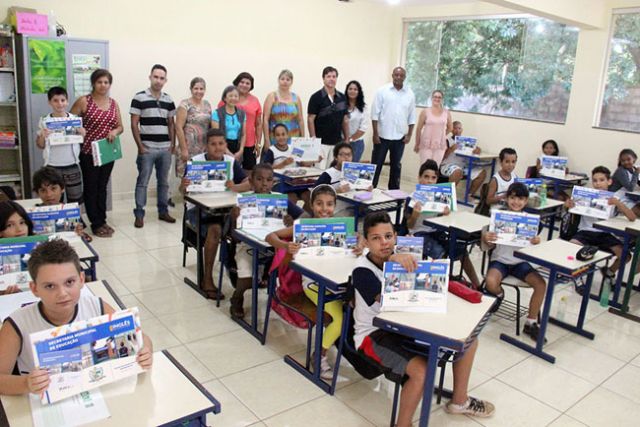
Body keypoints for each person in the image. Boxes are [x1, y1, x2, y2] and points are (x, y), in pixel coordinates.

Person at [352, 211, 495, 426]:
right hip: (374, 335)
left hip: (407, 327)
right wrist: (393, 259)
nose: (384, 243)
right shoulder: (361, 271)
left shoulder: (405, 257)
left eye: (388, 236)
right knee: (422, 372)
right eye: (376, 238)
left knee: (468, 342)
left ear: (395, 237)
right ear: (366, 242)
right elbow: (392, 299)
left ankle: (459, 401)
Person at [0, 239, 154, 395]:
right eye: (50, 286)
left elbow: (141, 339)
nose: (62, 293)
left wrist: (145, 351)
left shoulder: (96, 306)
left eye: (69, 282)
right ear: (34, 289)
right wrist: (26, 384)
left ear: (81, 280)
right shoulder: (17, 324)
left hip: (95, 394)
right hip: (42, 406)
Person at [266, 185, 348, 380]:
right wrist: (286, 246)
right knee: (339, 319)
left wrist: (358, 246)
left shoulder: (340, 225)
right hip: (313, 283)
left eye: (329, 204)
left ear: (335, 206)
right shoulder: (304, 224)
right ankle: (318, 356)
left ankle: (342, 347)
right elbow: (271, 237)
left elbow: (354, 244)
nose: (324, 209)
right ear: (311, 205)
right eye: (319, 204)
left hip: (335, 279)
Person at [180, 128, 251, 299]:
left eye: (221, 144)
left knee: (241, 219)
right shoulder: (195, 162)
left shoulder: (231, 162)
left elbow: (248, 183)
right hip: (198, 210)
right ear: (206, 146)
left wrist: (235, 186)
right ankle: (207, 279)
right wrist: (183, 185)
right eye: (213, 144)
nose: (217, 148)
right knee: (215, 230)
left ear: (226, 145)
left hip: (224, 209)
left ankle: (236, 266)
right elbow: (183, 191)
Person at [228, 163, 304, 318]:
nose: (264, 184)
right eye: (259, 179)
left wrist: (292, 221)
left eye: (269, 180)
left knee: (292, 270)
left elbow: (304, 217)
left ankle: (272, 287)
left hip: (275, 247)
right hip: (246, 246)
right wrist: (235, 219)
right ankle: (237, 297)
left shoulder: (279, 200)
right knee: (248, 280)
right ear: (250, 181)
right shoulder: (243, 202)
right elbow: (234, 237)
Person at [482, 183, 548, 341]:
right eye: (512, 198)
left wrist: (536, 241)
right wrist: (487, 238)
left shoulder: (530, 221)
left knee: (541, 284)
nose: (516, 202)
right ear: (506, 199)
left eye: (520, 199)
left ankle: (531, 323)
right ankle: (499, 294)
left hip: (521, 262)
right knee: (490, 282)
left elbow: (533, 248)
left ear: (526, 201)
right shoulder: (498, 217)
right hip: (500, 260)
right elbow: (488, 245)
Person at [405, 160, 480, 288]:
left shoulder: (439, 196)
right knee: (441, 254)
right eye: (426, 177)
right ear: (419, 178)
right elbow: (409, 226)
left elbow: (440, 221)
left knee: (462, 251)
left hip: (436, 232)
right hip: (418, 234)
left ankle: (477, 285)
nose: (429, 181)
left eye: (433, 178)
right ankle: (441, 285)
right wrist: (415, 214)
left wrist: (444, 213)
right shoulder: (412, 198)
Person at [70, 69, 124, 238]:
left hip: (107, 152)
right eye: (100, 82)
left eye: (106, 82)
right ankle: (96, 222)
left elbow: (120, 126)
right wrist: (77, 129)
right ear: (93, 83)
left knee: (102, 186)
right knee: (91, 187)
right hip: (88, 152)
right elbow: (68, 121)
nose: (103, 85)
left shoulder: (113, 103)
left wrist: (115, 131)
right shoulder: (84, 101)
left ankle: (102, 219)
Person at [566, 166, 637, 281]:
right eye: (595, 180)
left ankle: (609, 272)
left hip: (605, 234)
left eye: (602, 180)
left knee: (626, 256)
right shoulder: (584, 195)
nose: (598, 183)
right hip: (585, 231)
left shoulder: (615, 198)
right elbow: (571, 211)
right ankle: (578, 278)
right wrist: (568, 205)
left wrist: (618, 204)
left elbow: (632, 217)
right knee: (571, 247)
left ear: (609, 181)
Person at [130, 64, 177, 229]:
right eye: (155, 77)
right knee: (142, 181)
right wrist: (140, 146)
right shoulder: (139, 97)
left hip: (165, 148)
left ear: (165, 80)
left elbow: (171, 124)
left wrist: (173, 144)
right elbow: (134, 124)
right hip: (147, 148)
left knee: (163, 182)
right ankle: (139, 214)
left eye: (162, 78)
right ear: (150, 77)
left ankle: (163, 211)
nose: (158, 80)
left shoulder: (168, 99)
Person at [35, 86, 86, 207]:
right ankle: (59, 222)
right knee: (54, 198)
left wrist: (82, 133)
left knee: (75, 197)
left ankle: (76, 220)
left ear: (67, 101)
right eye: (55, 100)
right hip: (52, 166)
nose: (60, 104)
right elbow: (40, 145)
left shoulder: (74, 120)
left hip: (71, 164)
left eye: (63, 100)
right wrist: (43, 136)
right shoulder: (44, 121)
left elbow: (81, 139)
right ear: (50, 102)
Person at [371, 67, 416, 189]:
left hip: (399, 138)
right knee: (376, 165)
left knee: (396, 166)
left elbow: (412, 116)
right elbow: (375, 114)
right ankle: (370, 189)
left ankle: (394, 193)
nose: (398, 77)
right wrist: (375, 134)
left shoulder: (410, 94)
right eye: (396, 75)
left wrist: (409, 135)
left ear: (404, 77)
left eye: (401, 75)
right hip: (381, 137)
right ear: (392, 75)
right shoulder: (382, 91)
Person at [32, 167, 90, 241]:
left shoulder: (70, 212)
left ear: (62, 189)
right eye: (43, 190)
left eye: (53, 188)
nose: (49, 194)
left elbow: (83, 237)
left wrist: (79, 233)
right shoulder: (33, 214)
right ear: (37, 193)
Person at [307, 66, 349, 170]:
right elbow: (310, 119)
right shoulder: (316, 97)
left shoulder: (342, 97)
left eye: (334, 76)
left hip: (337, 143)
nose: (331, 79)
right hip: (321, 143)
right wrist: (314, 140)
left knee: (333, 171)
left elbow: (345, 119)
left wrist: (347, 138)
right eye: (328, 76)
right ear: (323, 78)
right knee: (319, 171)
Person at [219, 73, 262, 171]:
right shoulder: (227, 98)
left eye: (248, 83)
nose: (244, 85)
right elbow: (219, 123)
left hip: (249, 143)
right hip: (229, 142)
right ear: (237, 83)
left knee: (250, 172)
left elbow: (258, 124)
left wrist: (258, 144)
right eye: (242, 82)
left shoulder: (255, 100)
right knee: (228, 172)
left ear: (251, 86)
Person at [175, 77, 212, 178]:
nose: (199, 91)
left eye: (201, 89)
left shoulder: (207, 104)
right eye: (196, 88)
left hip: (203, 148)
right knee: (187, 179)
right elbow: (178, 127)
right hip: (188, 147)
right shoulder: (184, 104)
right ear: (191, 89)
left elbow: (210, 126)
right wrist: (184, 149)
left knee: (201, 178)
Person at [439, 121, 487, 198]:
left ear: (462, 130)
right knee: (457, 171)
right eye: (455, 128)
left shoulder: (465, 141)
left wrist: (478, 150)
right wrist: (451, 149)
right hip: (448, 165)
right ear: (451, 130)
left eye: (459, 128)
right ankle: (447, 196)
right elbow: (441, 157)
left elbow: (476, 149)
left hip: (462, 166)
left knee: (482, 173)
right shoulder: (447, 141)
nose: (457, 130)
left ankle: (469, 195)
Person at [262, 70, 305, 153]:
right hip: (276, 137)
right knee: (276, 163)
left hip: (293, 138)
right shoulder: (272, 96)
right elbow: (265, 119)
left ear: (291, 82)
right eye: (282, 79)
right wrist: (266, 140)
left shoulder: (296, 98)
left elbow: (300, 120)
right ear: (278, 80)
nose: (285, 82)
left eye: (288, 79)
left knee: (293, 162)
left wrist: (302, 139)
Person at [314, 142, 356, 216]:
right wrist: (336, 191)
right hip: (336, 210)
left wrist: (367, 189)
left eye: (349, 155)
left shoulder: (355, 172)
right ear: (336, 157)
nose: (346, 157)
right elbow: (315, 193)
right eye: (342, 155)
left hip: (354, 206)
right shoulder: (328, 174)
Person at [414, 90, 451, 165]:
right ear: (431, 98)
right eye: (435, 97)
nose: (437, 99)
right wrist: (417, 143)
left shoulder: (446, 112)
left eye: (439, 97)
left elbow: (450, 127)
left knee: (435, 168)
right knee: (425, 168)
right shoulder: (425, 112)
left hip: (440, 145)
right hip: (426, 144)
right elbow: (418, 129)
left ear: (442, 99)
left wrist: (441, 135)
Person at [212, 86, 247, 165]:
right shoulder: (216, 113)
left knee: (235, 174)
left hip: (237, 147)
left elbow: (243, 134)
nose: (233, 98)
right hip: (221, 147)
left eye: (236, 96)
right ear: (225, 98)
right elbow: (216, 135)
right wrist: (227, 152)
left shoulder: (242, 113)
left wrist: (241, 150)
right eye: (230, 96)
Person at [345, 80, 368, 162]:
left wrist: (350, 139)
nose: (352, 91)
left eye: (355, 89)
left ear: (359, 92)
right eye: (350, 89)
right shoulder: (342, 105)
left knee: (351, 170)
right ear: (347, 90)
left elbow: (363, 128)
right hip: (341, 142)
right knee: (339, 169)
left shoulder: (363, 108)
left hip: (356, 143)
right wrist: (345, 140)